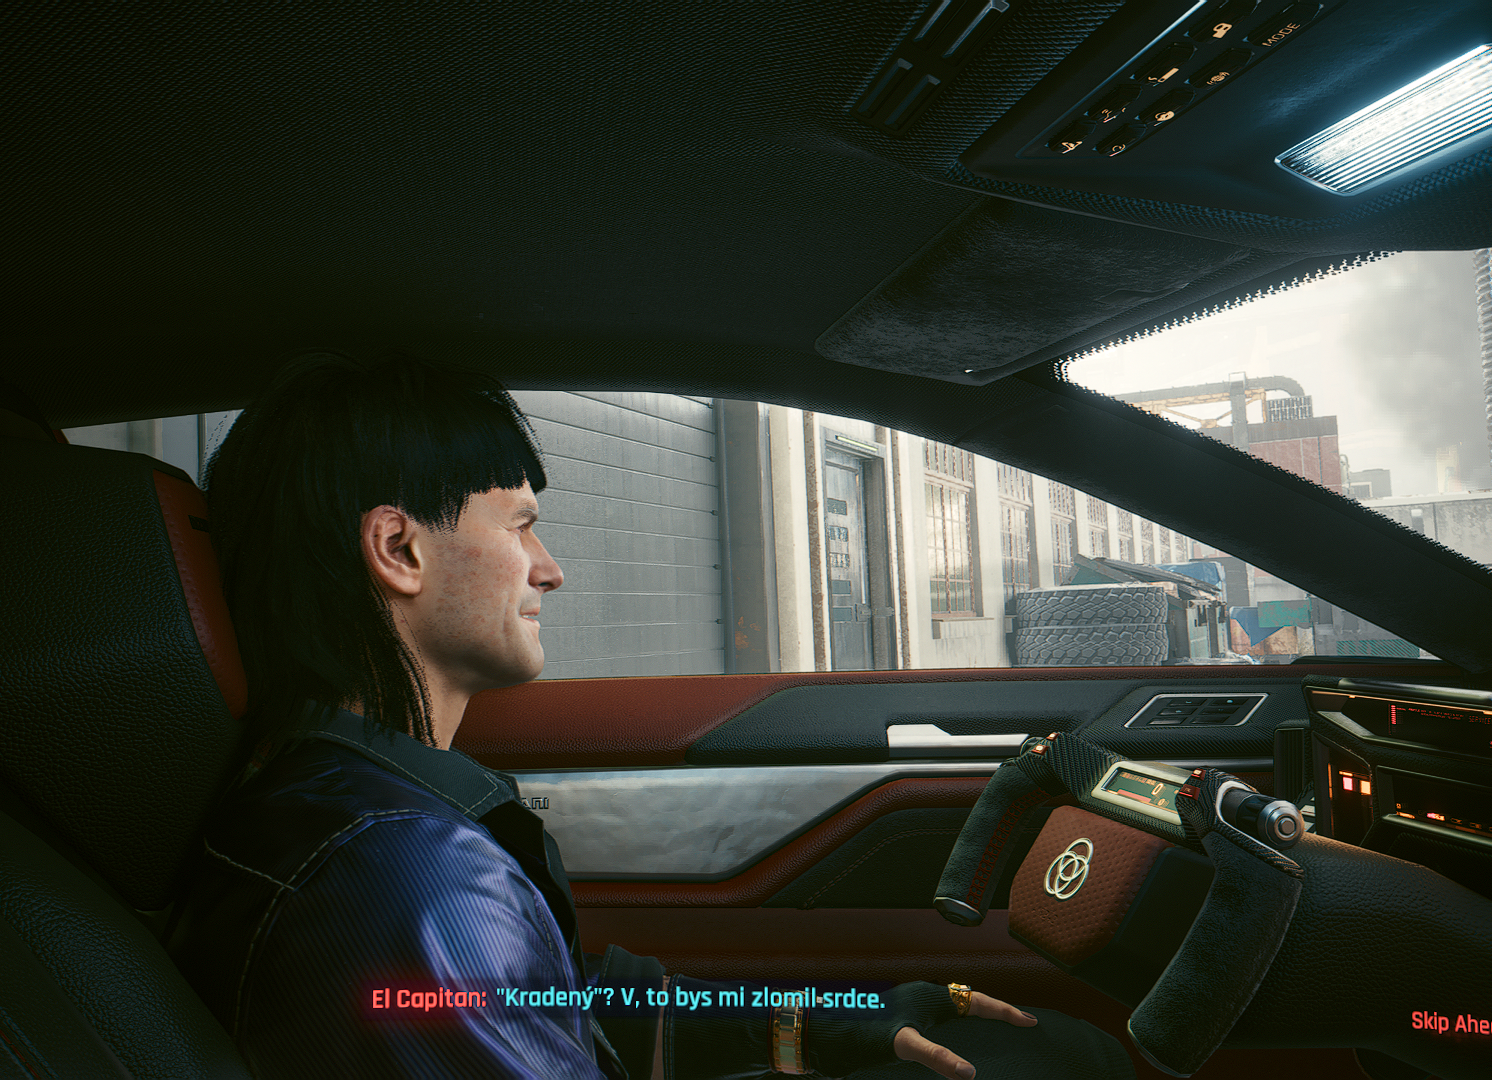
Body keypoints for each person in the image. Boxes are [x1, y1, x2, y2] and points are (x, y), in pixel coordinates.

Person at [165, 352, 1135, 1079]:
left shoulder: (358, 821)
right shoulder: (407, 880)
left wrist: (820, 1018)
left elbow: (563, 994)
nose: (549, 570)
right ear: (399, 551)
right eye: (521, 525)